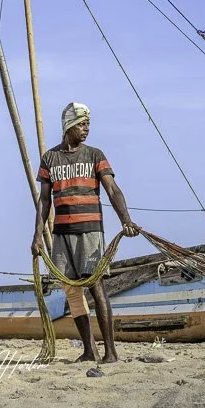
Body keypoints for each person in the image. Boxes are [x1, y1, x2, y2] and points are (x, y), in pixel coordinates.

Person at [32, 102, 140, 364]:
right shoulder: (50, 159)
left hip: (90, 231)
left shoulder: (95, 155)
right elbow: (44, 201)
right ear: (68, 126)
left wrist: (126, 220)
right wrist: (37, 236)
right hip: (61, 234)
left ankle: (110, 352)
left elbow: (113, 189)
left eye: (88, 124)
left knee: (95, 287)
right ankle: (89, 350)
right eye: (82, 124)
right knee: (71, 291)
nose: (86, 129)